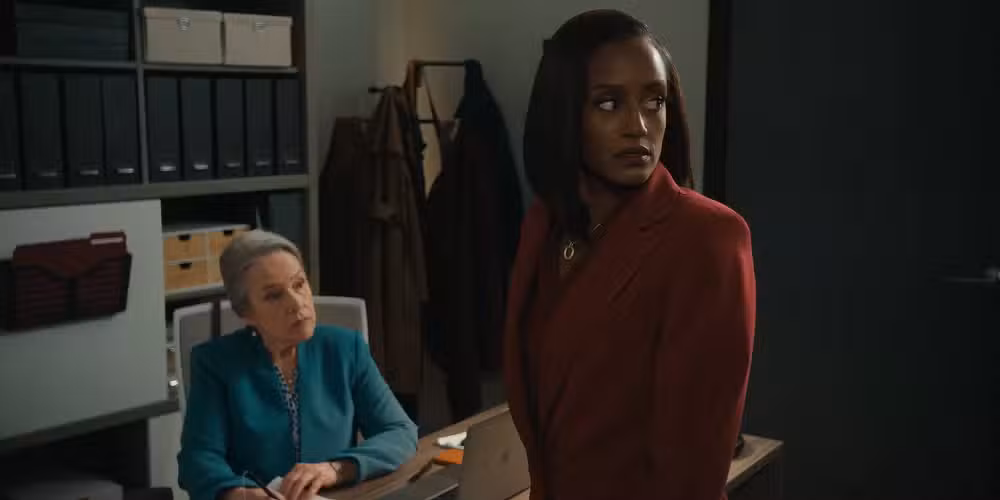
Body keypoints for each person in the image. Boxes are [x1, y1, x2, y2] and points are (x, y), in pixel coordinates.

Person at [503, 10, 756, 500]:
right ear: (563, 114)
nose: (638, 126)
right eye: (608, 103)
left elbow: (690, 473)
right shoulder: (544, 225)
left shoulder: (708, 238)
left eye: (654, 101)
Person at [177, 230, 418, 500]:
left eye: (299, 284)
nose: (297, 302)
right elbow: (197, 461)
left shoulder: (344, 348)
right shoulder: (215, 363)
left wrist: (335, 469)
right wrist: (241, 495)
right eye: (273, 295)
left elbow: (400, 432)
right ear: (246, 313)